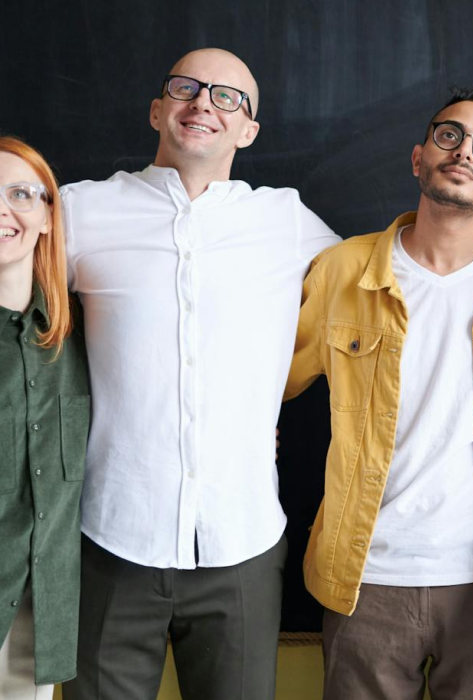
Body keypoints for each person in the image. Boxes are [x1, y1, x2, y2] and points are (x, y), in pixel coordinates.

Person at [57, 49, 341, 700]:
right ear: (158, 109)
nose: (203, 103)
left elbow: (396, 272)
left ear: (249, 131)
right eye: (186, 88)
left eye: (228, 97)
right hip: (110, 537)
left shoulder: (288, 223)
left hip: (241, 543)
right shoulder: (80, 211)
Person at [286, 87, 473, 700]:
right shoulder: (341, 272)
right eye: (450, 135)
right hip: (364, 577)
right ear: (418, 157)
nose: (465, 151)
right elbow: (268, 384)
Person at [0, 136, 88, 700]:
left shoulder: (79, 333)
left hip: (41, 612)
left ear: (48, 216)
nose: (3, 210)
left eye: (20, 194)